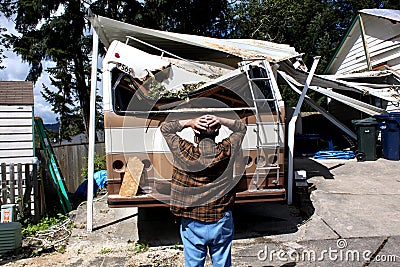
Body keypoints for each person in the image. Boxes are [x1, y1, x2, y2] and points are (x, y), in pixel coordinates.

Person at [160, 114, 246, 267]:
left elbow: (165, 129)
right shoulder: (226, 151)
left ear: (195, 133)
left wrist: (189, 122)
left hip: (192, 219)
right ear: (217, 132)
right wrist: (221, 120)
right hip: (221, 218)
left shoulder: (184, 151)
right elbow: (241, 128)